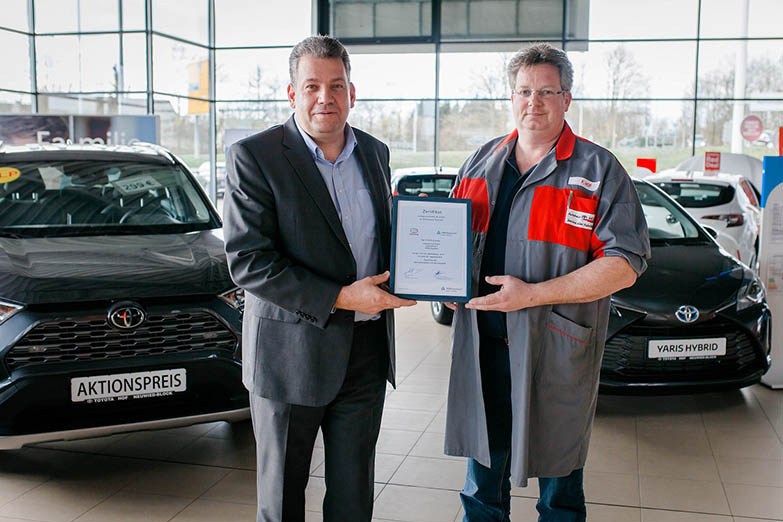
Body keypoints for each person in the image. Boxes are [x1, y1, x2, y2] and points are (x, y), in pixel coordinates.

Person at [444, 43, 651, 521]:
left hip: (555, 351)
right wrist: (448, 285)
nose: (532, 103)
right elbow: (451, 245)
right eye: (523, 91)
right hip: (486, 349)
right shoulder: (479, 162)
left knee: (559, 490)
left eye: (546, 92)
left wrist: (533, 295)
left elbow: (625, 263)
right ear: (510, 97)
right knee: (481, 487)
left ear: (567, 98)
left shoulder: (599, 171)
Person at [222, 35, 415, 522]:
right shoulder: (255, 156)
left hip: (366, 355)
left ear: (352, 92)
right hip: (291, 359)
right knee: (283, 499)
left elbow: (384, 240)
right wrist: (341, 297)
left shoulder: (375, 152)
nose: (324, 98)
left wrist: (431, 279)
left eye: (335, 86)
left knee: (353, 498)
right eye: (311, 86)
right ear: (292, 94)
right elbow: (249, 261)